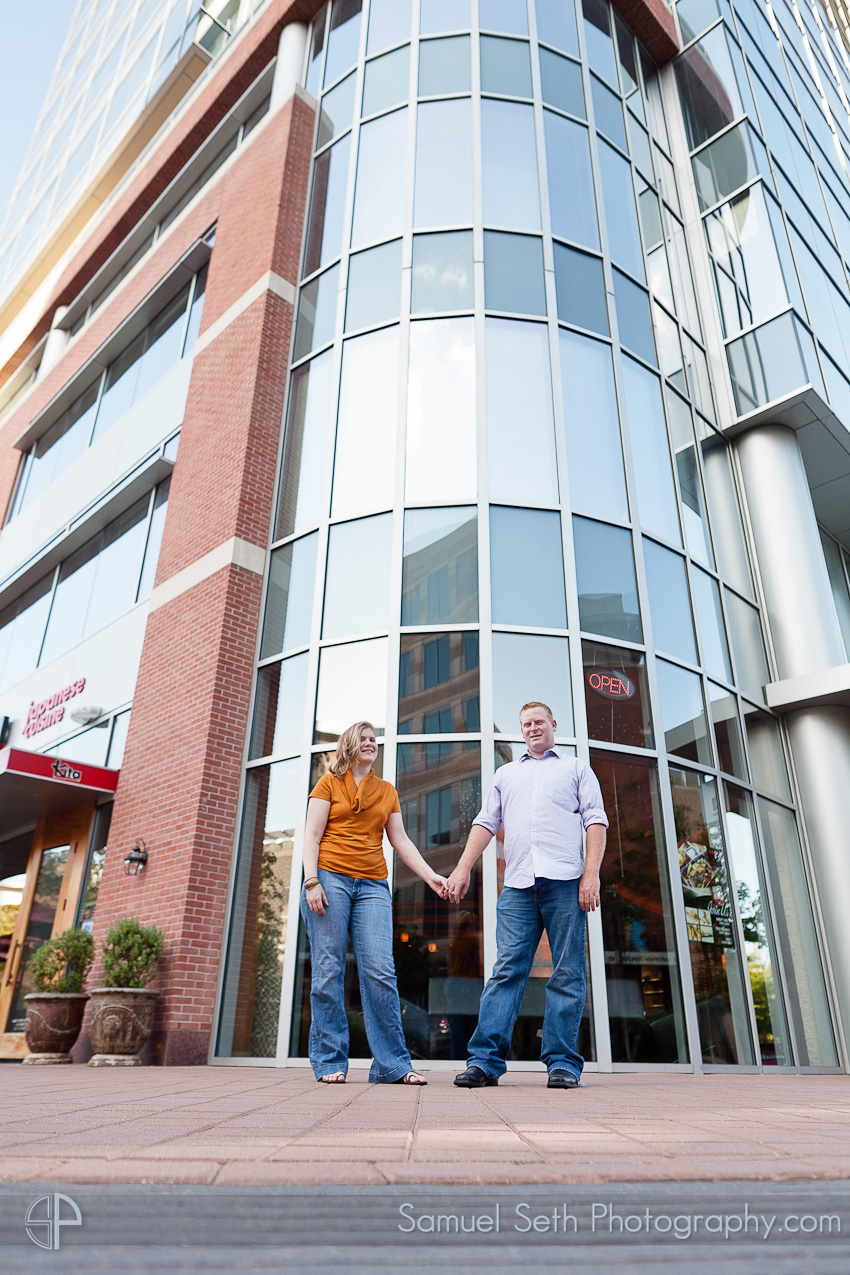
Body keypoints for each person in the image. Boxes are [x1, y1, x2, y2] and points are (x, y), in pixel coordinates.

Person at [447, 702, 608, 1089]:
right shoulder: (506, 773)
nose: (533, 728)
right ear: (521, 731)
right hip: (518, 886)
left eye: (539, 722)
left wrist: (591, 874)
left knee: (567, 973)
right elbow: (486, 822)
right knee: (506, 972)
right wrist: (463, 866)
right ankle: (484, 1062)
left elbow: (595, 819)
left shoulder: (575, 768)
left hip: (566, 882)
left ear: (553, 724)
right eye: (526, 724)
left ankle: (563, 1064)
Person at [301, 720, 448, 1084]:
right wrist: (311, 881)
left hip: (372, 885)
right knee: (328, 970)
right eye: (363, 739)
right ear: (349, 745)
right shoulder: (328, 783)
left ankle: (392, 1065)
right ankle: (330, 1060)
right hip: (329, 877)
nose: (371, 744)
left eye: (374, 740)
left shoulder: (386, 790)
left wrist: (430, 875)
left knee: (380, 971)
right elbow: (311, 834)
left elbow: (400, 840)